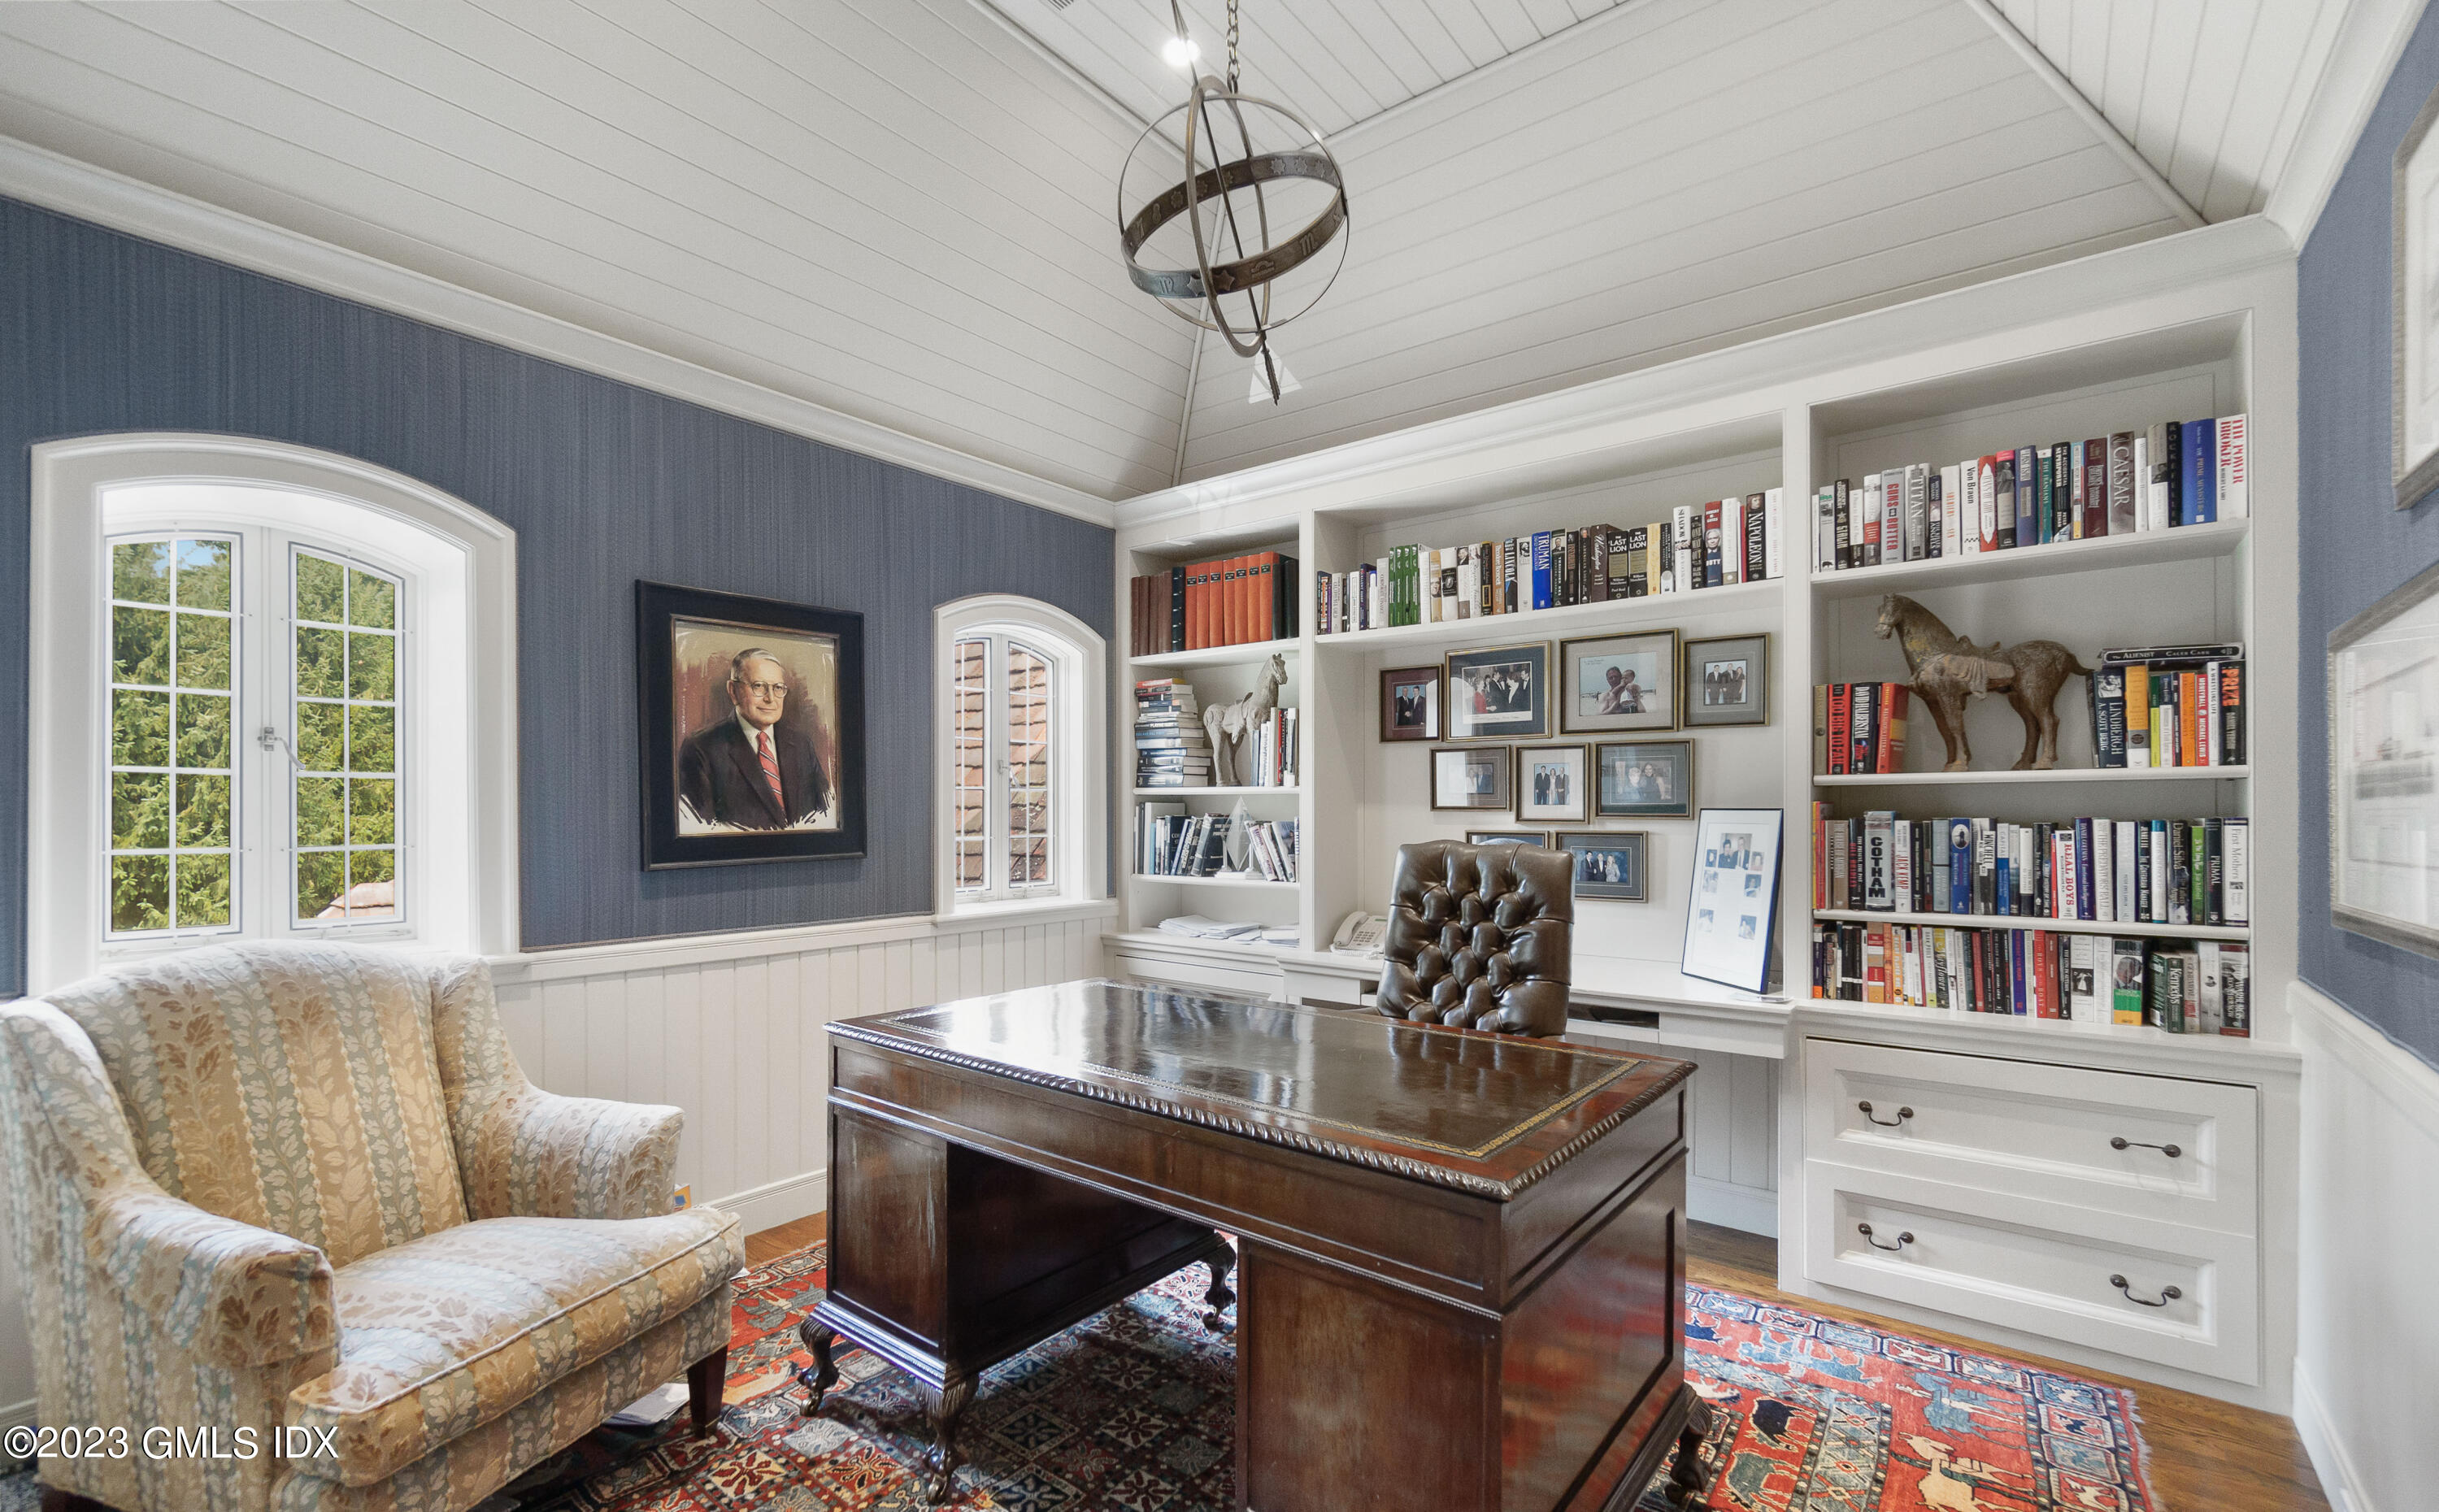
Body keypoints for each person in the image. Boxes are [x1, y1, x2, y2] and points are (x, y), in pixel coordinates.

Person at [678, 648, 830, 830]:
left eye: (778, 688)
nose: (771, 698)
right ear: (733, 691)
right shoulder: (701, 749)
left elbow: (826, 815)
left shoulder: (801, 744)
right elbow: (698, 830)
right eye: (758, 686)